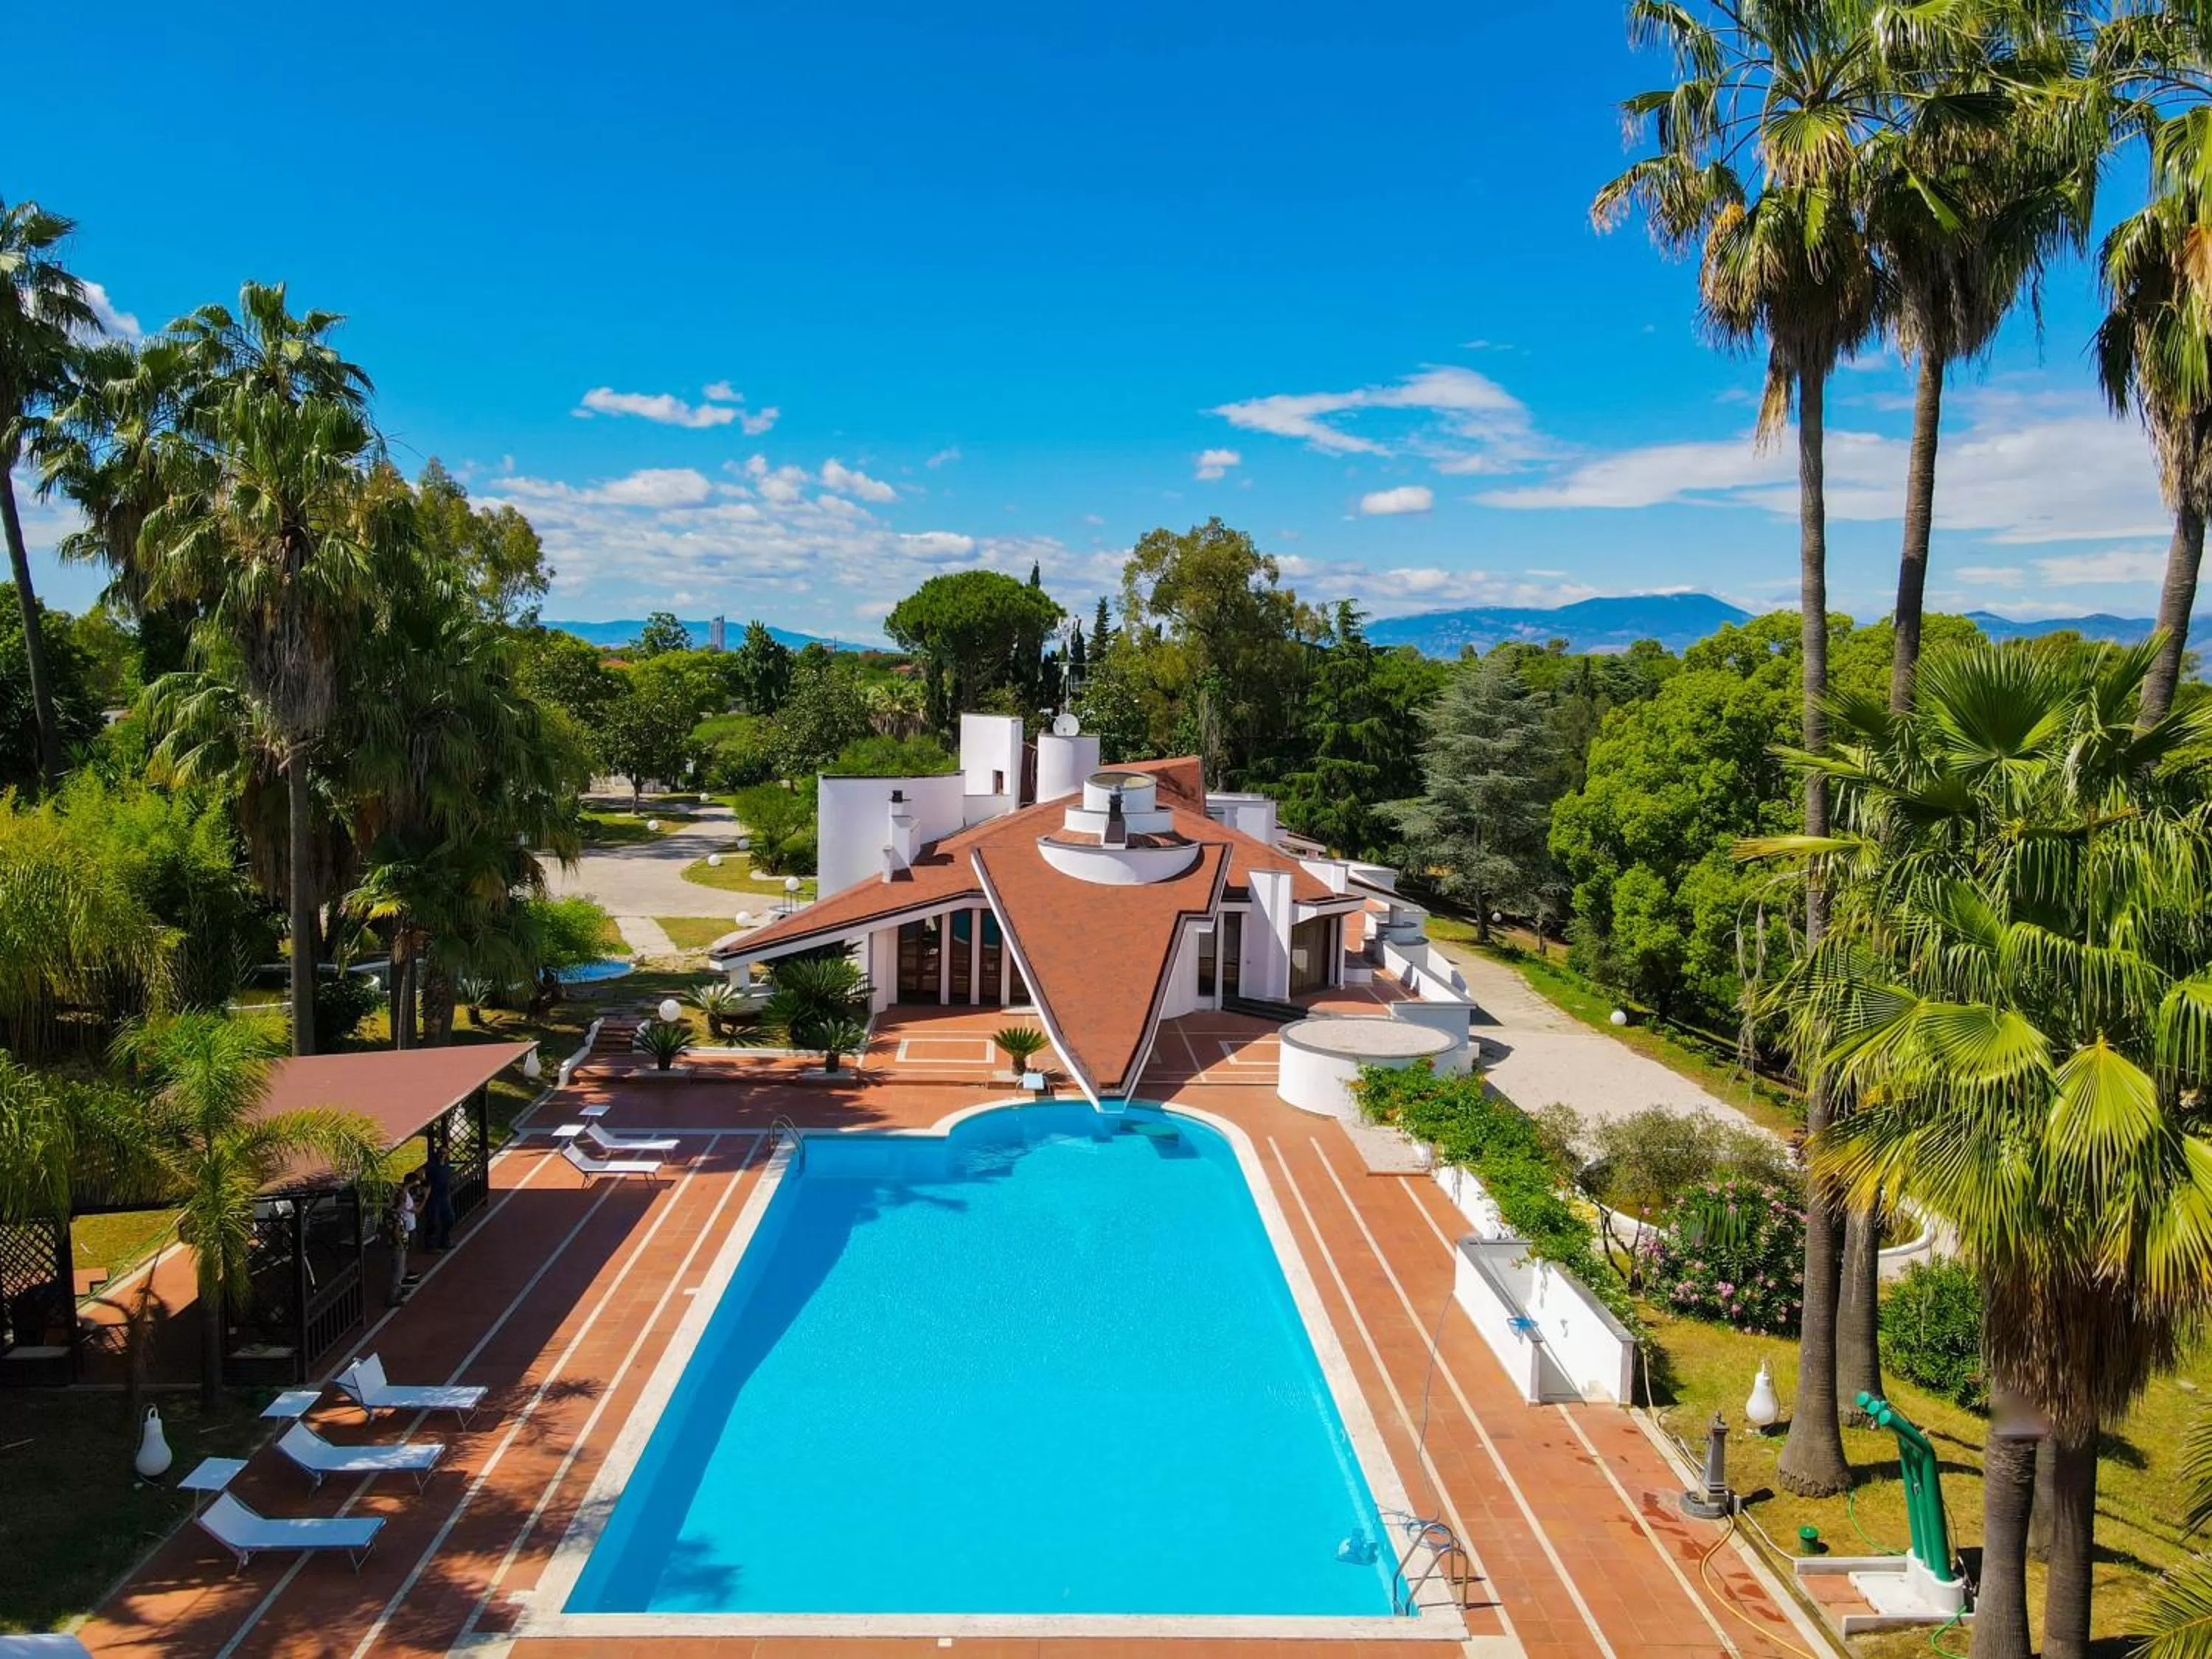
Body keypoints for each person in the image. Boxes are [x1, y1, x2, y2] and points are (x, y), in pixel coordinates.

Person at [383, 1178, 419, 1307]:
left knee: (400, 1269)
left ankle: (398, 1291)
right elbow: (396, 1232)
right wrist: (399, 1244)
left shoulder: (393, 1212)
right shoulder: (396, 1216)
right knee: (397, 1272)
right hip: (398, 1247)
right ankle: (393, 1297)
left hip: (398, 1245)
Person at [422, 1141, 455, 1253]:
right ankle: (430, 1245)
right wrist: (425, 1185)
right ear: (437, 1153)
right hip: (433, 1198)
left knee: (450, 1219)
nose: (442, 1155)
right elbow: (420, 1172)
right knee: (433, 1222)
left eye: (445, 1153)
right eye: (441, 1153)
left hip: (444, 1197)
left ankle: (444, 1240)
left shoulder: (446, 1165)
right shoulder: (432, 1165)